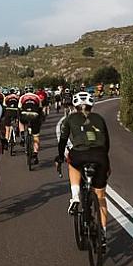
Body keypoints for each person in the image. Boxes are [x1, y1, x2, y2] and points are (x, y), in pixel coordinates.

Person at [56, 91, 111, 250]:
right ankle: (103, 234)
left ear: (75, 105)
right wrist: (106, 161)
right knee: (101, 197)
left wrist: (59, 157)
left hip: (80, 155)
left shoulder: (70, 118)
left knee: (72, 163)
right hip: (100, 156)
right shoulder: (99, 118)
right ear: (91, 105)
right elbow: (107, 143)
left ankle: (75, 197)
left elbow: (63, 140)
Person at [18, 87, 43, 164]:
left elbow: (19, 108)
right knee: (36, 136)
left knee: (20, 121)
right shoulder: (37, 97)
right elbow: (40, 109)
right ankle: (35, 154)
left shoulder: (22, 97)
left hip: (24, 115)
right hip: (35, 115)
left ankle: (22, 135)